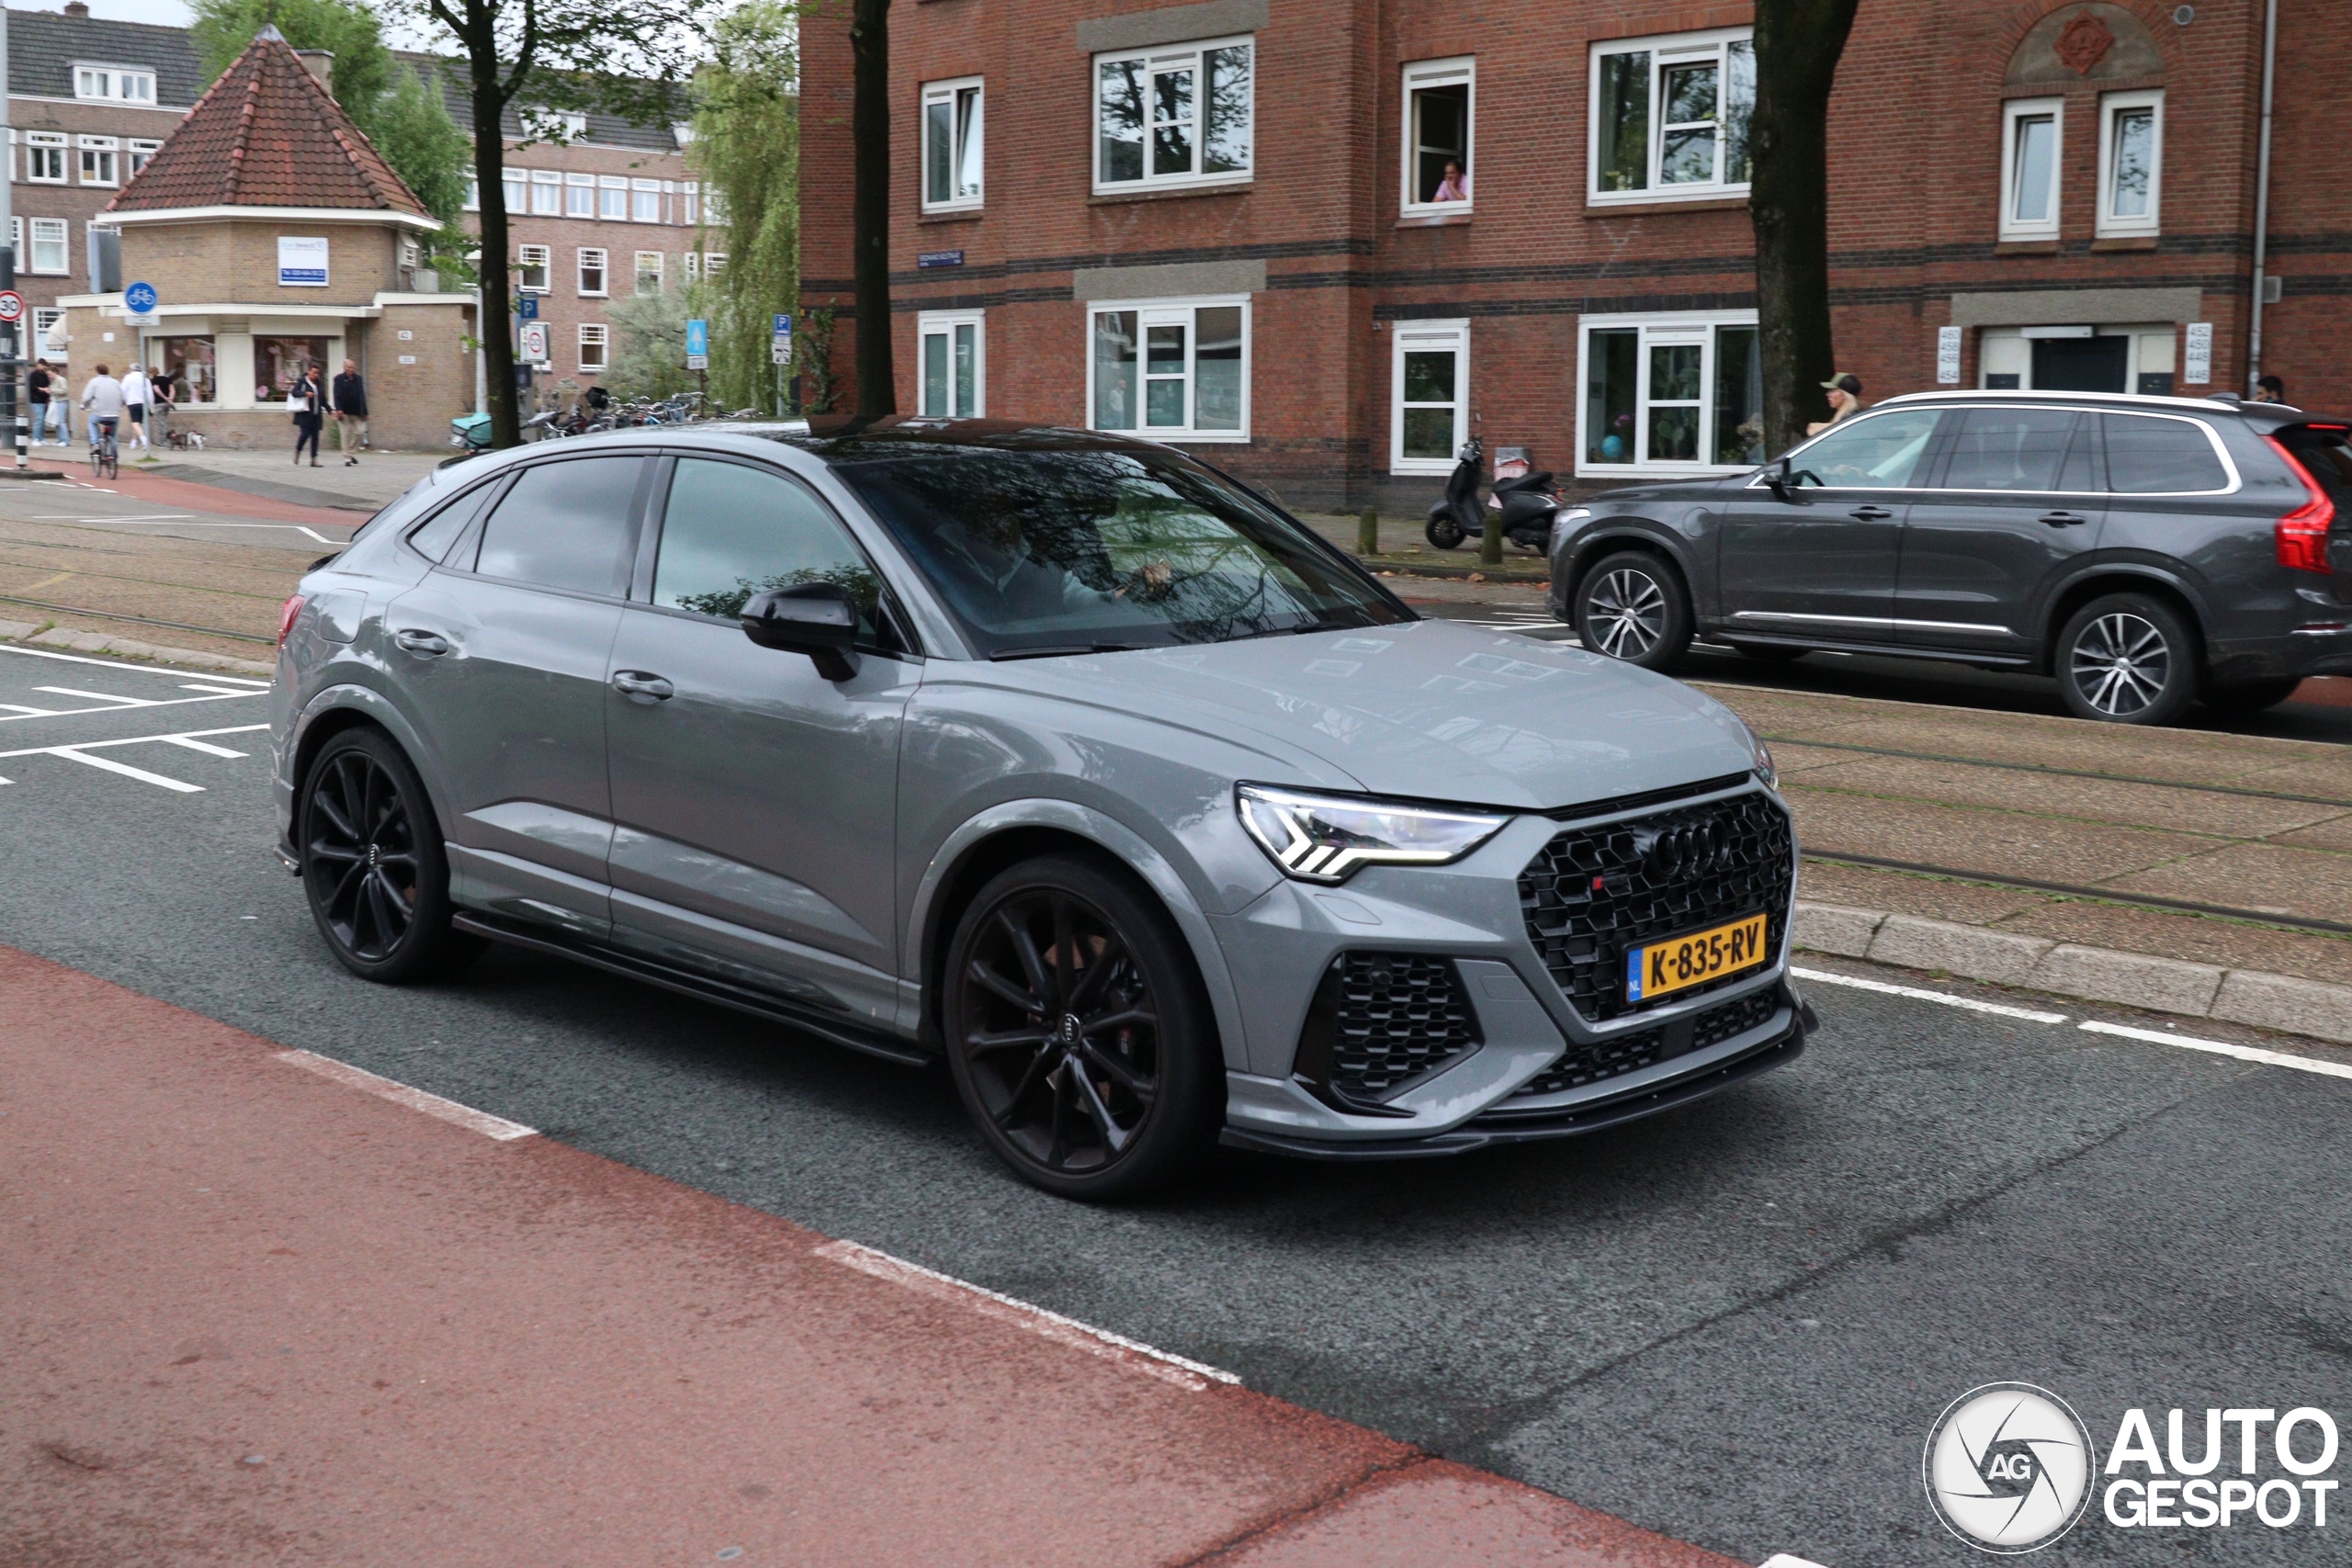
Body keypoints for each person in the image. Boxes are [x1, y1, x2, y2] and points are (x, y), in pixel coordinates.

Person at [79, 362, 125, 454]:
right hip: (114, 415)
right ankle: (113, 454)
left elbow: (87, 397)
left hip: (99, 413)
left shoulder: (94, 382)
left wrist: (83, 406)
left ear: (97, 372)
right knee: (113, 434)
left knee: (92, 421)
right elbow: (123, 399)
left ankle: (95, 443)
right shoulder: (115, 382)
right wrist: (118, 407)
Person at [330, 357, 368, 464]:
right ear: (344, 367)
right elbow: (336, 395)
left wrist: (365, 411)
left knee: (360, 432)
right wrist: (339, 409)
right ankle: (347, 458)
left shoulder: (359, 379)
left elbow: (362, 396)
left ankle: (351, 453)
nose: (350, 369)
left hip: (357, 412)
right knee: (346, 434)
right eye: (348, 367)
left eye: (352, 367)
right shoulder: (338, 379)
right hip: (344, 412)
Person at [1806, 372, 1864, 436]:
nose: (1827, 394)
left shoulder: (1851, 418)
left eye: (1832, 390)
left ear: (1845, 395)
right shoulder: (1852, 415)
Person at [290, 364, 325, 467]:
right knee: (305, 434)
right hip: (305, 414)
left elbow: (322, 400)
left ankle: (314, 459)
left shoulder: (319, 384)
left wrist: (330, 410)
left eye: (317, 373)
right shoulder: (302, 381)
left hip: (316, 414)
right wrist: (305, 393)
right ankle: (298, 450)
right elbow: (294, 393)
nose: (316, 375)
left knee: (315, 437)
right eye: (314, 372)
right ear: (309, 372)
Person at [119, 361, 151, 450]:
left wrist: (123, 401)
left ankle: (145, 441)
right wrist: (150, 405)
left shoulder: (128, 378)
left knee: (135, 424)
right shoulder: (145, 379)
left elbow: (122, 391)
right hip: (143, 403)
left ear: (132, 369)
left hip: (133, 402)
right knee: (138, 423)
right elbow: (149, 393)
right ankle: (133, 442)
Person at [28, 359, 56, 446]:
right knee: (39, 419)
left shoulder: (44, 375)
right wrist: (42, 389)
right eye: (43, 365)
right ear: (39, 364)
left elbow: (47, 385)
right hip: (36, 400)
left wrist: (48, 397)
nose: (44, 367)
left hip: (44, 400)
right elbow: (33, 387)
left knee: (43, 420)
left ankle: (41, 438)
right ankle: (35, 438)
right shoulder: (33, 375)